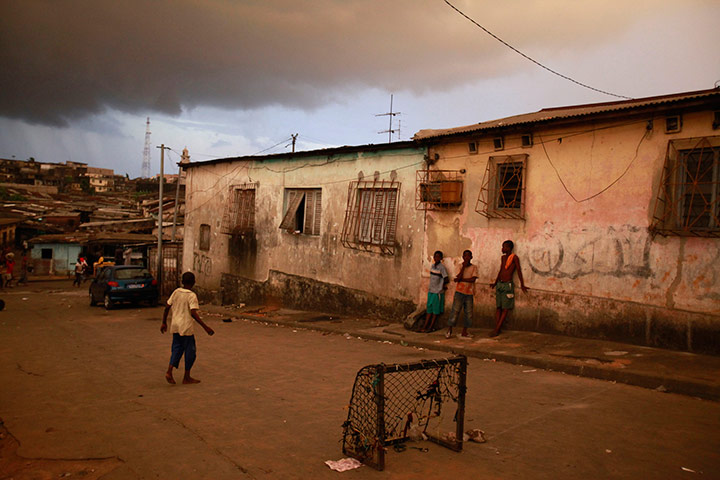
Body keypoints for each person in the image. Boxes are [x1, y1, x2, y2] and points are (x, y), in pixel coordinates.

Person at [161, 271, 214, 384]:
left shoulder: (176, 292)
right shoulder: (191, 295)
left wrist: (164, 322)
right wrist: (205, 327)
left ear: (182, 282)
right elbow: (193, 313)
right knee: (190, 352)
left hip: (175, 326)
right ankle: (186, 377)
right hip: (186, 328)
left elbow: (167, 307)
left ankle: (169, 371)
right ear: (194, 282)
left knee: (176, 349)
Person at [489, 240, 529, 337]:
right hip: (500, 284)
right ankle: (496, 327)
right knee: (498, 307)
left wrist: (522, 284)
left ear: (509, 248)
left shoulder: (514, 258)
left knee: (505, 309)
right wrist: (495, 283)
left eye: (504, 247)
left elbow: (518, 270)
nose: (502, 249)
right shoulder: (503, 258)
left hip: (508, 285)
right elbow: (501, 270)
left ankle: (497, 329)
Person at [445, 250, 478, 339]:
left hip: (469, 293)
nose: (467, 257)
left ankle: (464, 331)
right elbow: (458, 277)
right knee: (455, 311)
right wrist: (463, 267)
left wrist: (462, 280)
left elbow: (473, 279)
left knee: (469, 313)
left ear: (471, 257)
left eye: (468, 256)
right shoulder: (459, 266)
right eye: (465, 256)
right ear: (463, 257)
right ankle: (449, 330)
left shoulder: (474, 267)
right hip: (459, 292)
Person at [420, 250, 449, 333]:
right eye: (435, 256)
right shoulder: (432, 266)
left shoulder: (442, 268)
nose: (436, 258)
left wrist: (442, 285)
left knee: (435, 311)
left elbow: (446, 278)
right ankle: (425, 326)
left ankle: (431, 326)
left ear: (441, 258)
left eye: (438, 257)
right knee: (429, 309)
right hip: (431, 291)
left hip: (437, 292)